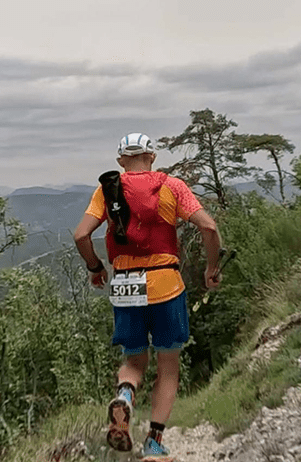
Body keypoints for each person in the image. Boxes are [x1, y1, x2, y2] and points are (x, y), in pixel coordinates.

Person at [73, 133, 221, 462]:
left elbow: (81, 235)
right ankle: (154, 443)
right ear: (152, 156)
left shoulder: (107, 190)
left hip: (125, 285)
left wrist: (96, 268)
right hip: (166, 282)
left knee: (133, 361)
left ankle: (124, 397)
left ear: (121, 161)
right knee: (168, 367)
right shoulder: (173, 186)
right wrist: (211, 268)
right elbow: (209, 228)